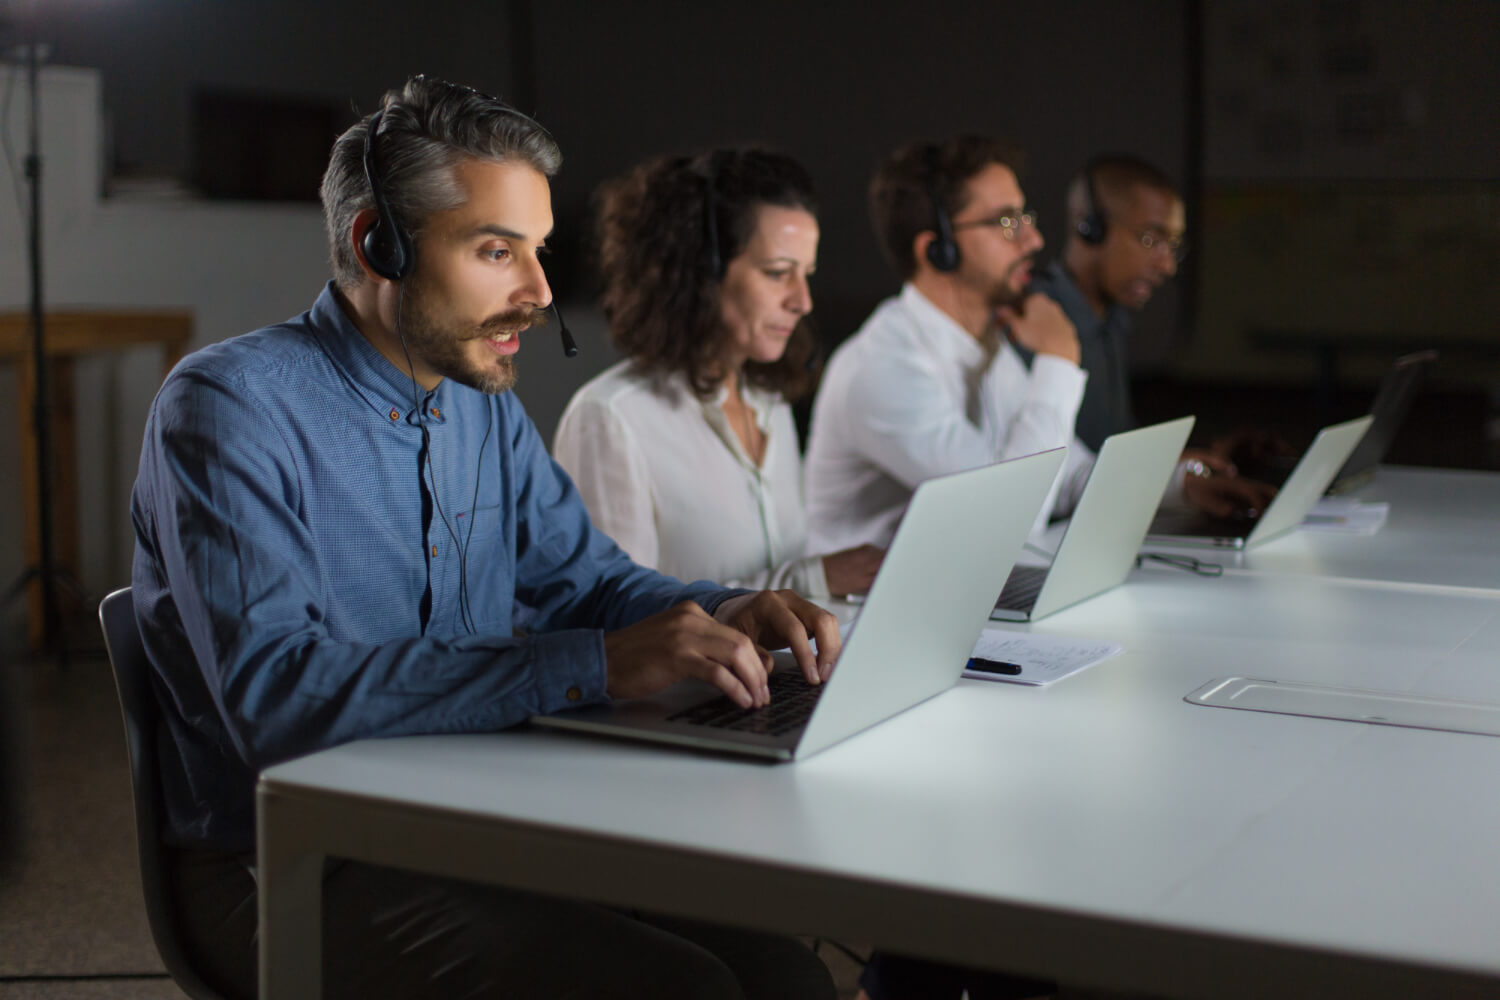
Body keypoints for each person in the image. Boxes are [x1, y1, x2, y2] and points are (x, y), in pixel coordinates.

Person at [130, 76, 839, 1000]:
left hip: (468, 818)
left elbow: (589, 583)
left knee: (787, 975)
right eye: (497, 250)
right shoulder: (229, 407)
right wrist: (590, 663)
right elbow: (277, 703)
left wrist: (726, 610)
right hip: (293, 863)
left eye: (539, 252)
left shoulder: (479, 402)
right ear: (376, 245)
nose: (541, 293)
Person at [554, 148, 882, 598]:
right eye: (777, 272)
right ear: (700, 274)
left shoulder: (770, 403)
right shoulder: (610, 419)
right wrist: (812, 581)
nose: (802, 301)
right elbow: (616, 622)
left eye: (806, 274)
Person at [805, 134, 1092, 553]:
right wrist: (1058, 361)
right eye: (1007, 222)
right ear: (938, 250)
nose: (1034, 240)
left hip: (948, 590)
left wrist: (1182, 485)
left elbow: (1067, 475)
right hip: (857, 613)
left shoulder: (985, 344)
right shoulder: (881, 366)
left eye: (1024, 217)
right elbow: (1010, 518)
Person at [1032, 155, 1277, 515]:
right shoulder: (1036, 322)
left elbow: (1106, 451)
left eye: (1173, 246)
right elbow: (1051, 473)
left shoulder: (1109, 320)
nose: (1167, 265)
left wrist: (1189, 463)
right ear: (1090, 227)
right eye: (1151, 239)